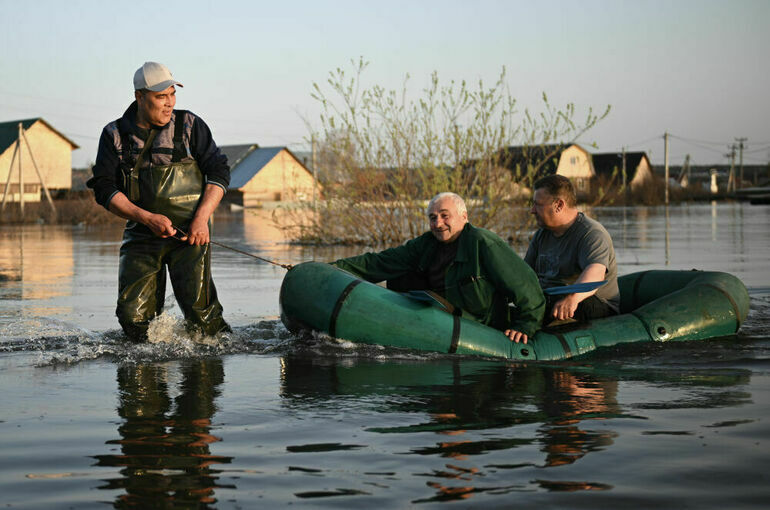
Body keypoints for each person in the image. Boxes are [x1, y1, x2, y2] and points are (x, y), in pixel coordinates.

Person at [87, 62, 230, 341]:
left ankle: (210, 371)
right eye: (160, 97)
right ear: (140, 97)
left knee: (203, 321)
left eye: (172, 95)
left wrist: (201, 220)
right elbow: (103, 188)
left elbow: (219, 172)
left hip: (191, 235)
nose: (169, 103)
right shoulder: (113, 135)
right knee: (133, 319)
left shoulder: (190, 125)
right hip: (142, 234)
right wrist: (146, 218)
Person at [333, 192, 545, 343]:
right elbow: (380, 262)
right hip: (441, 316)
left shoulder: (483, 243)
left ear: (464, 216)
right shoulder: (426, 244)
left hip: (481, 322)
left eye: (445, 216)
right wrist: (331, 270)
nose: (438, 223)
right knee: (401, 272)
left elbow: (525, 283)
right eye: (432, 218)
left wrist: (527, 325)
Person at [524, 175, 619, 325]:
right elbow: (524, 273)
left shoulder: (591, 233)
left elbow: (596, 272)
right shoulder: (541, 235)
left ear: (559, 205)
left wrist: (572, 298)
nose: (532, 211)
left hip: (592, 304)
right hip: (551, 299)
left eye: (538, 205)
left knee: (564, 303)